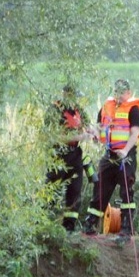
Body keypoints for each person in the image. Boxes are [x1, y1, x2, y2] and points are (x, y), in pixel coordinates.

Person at [83, 79, 139, 240]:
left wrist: (125, 150)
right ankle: (90, 225)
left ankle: (126, 228)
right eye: (117, 92)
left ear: (128, 93)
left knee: (126, 192)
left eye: (122, 92)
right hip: (109, 155)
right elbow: (99, 127)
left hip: (126, 155)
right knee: (100, 189)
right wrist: (96, 135)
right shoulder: (106, 106)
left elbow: (134, 134)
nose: (119, 96)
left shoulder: (133, 109)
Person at [45, 84, 95, 232]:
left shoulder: (78, 109)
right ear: (65, 95)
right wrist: (79, 136)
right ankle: (44, 225)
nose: (75, 100)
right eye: (73, 97)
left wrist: (93, 132)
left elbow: (88, 124)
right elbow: (52, 136)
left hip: (75, 154)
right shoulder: (54, 110)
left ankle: (69, 228)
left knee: (75, 190)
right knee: (52, 190)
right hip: (58, 154)